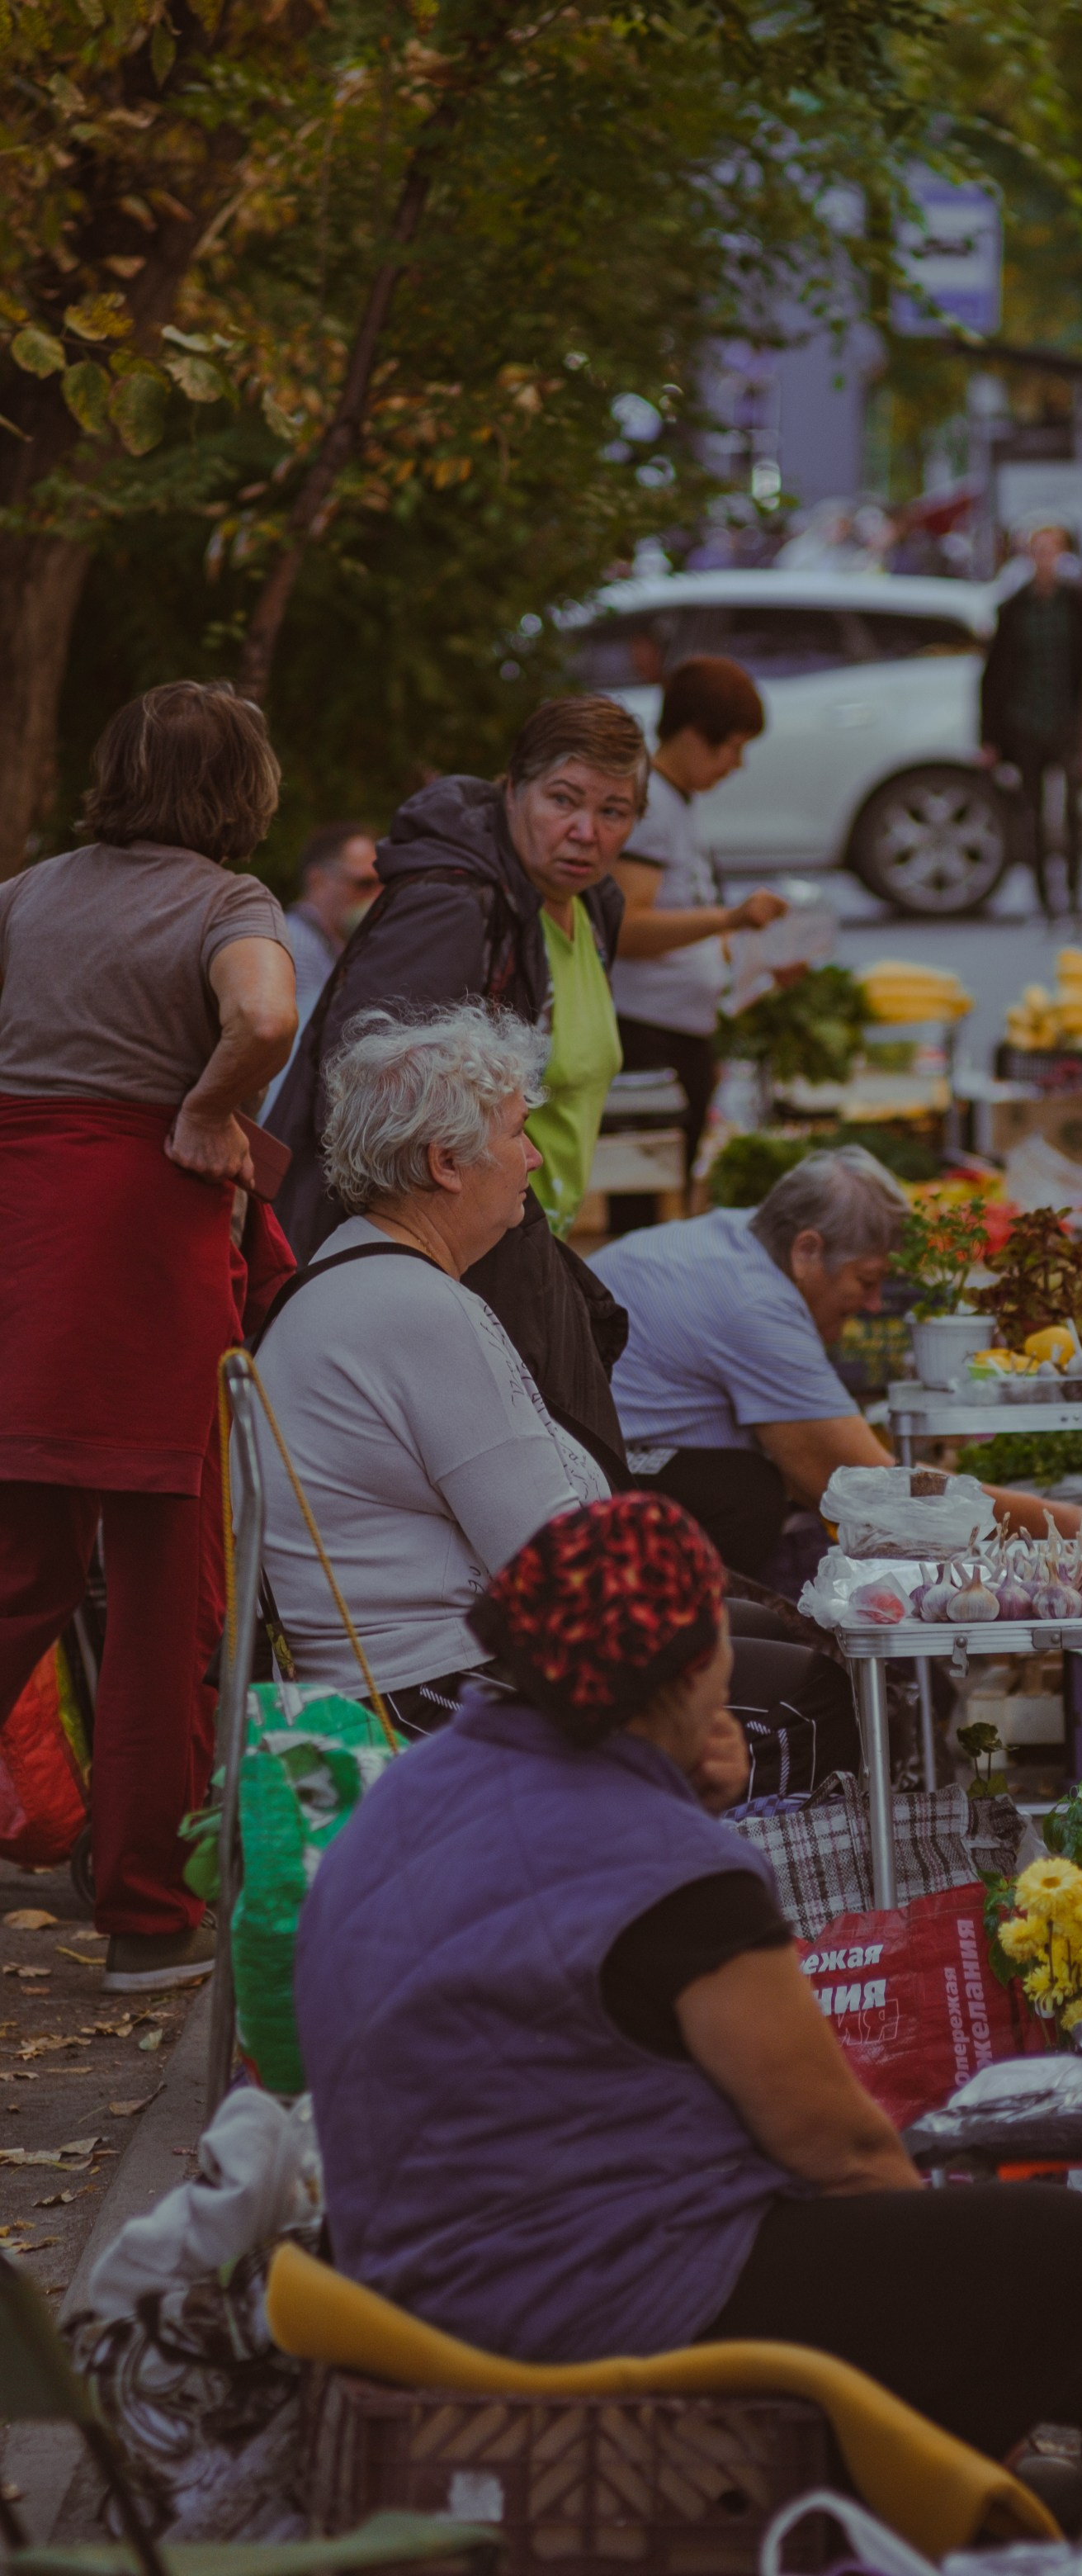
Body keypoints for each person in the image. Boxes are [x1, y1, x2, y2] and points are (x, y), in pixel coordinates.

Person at [295, 1492, 1082, 2517]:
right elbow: (838, 2148)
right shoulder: (663, 1863)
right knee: (1044, 2242)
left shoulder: (406, 1795)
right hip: (577, 2309)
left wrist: (669, 1784)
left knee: (888, 2238)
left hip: (402, 2283)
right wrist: (960, 2321)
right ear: (689, 1674)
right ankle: (944, 2466)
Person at [0, 681, 298, 1991]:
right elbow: (267, 1016)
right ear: (245, 789)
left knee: (19, 1574)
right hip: (139, 1248)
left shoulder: (27, 895)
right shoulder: (228, 906)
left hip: (22, 1235)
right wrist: (205, 1109)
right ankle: (146, 1922)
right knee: (166, 1593)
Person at [267, 695, 648, 1489]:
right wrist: (437, 1280)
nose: (587, 832)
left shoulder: (592, 907)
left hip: (513, 1233)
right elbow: (366, 1090)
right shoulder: (456, 902)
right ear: (513, 792)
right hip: (443, 1261)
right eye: (564, 800)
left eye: (614, 811)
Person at [250, 1005, 609, 1732]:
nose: (534, 1157)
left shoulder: (358, 1272)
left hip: (400, 1679)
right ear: (446, 1164)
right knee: (813, 1691)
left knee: (744, 1643)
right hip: (423, 1696)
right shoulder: (417, 1307)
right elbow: (555, 1570)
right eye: (516, 1134)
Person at [589, 1148, 1082, 1578]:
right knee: (747, 1492)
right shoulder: (755, 1306)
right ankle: (710, 1641)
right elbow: (866, 1488)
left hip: (605, 1440)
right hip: (597, 1477)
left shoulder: (744, 1238)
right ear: (808, 1249)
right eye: (867, 1280)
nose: (873, 1304)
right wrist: (1065, 1524)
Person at [607, 657, 787, 1234]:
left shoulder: (675, 801)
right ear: (692, 735)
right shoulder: (653, 806)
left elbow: (683, 925)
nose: (737, 765)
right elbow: (629, 929)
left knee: (670, 1193)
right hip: (648, 1031)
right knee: (647, 1203)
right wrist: (729, 918)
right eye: (731, 748)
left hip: (677, 1026)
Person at [980, 522, 1082, 913]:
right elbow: (994, 675)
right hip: (1025, 721)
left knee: (1072, 815)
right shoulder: (1014, 607)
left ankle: (1075, 895)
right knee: (1032, 814)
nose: (1045, 558)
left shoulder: (1078, 604)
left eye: (1053, 550)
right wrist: (990, 736)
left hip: (1068, 720)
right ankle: (1044, 900)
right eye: (1039, 550)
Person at [261, 822, 381, 1117]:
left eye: (382, 884)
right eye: (363, 884)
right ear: (318, 880)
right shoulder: (297, 945)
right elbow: (288, 1066)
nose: (376, 896)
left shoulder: (328, 942)